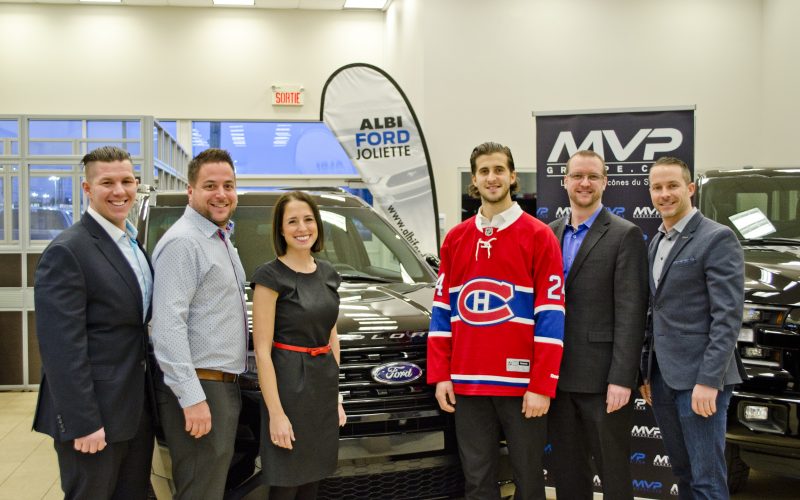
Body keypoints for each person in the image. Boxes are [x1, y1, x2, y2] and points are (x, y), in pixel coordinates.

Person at [427, 141, 565, 500]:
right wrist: (441, 374)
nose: (492, 178)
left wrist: (541, 384)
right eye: (484, 171)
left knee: (530, 482)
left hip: (522, 388)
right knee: (477, 483)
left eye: (499, 170)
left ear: (512, 176)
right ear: (474, 179)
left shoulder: (539, 235)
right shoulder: (456, 238)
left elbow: (551, 314)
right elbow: (442, 310)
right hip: (468, 384)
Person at [33, 146, 154, 499]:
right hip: (93, 416)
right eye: (107, 182)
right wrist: (83, 423)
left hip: (132, 409)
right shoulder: (68, 251)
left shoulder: (131, 243)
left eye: (127, 181)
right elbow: (61, 349)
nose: (120, 191)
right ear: (87, 189)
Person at [640, 156, 745, 499]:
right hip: (663, 378)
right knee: (683, 474)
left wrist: (708, 381)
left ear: (690, 189)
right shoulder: (656, 241)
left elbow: (727, 316)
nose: (664, 194)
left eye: (672, 186)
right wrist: (646, 372)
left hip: (701, 380)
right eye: (657, 187)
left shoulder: (717, 238)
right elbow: (656, 312)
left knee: (707, 480)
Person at [547, 150, 648, 499]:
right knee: (567, 473)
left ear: (605, 182)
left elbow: (632, 312)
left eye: (592, 176)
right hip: (556, 379)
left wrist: (622, 378)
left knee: (614, 474)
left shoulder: (625, 234)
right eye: (577, 176)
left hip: (604, 382)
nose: (584, 183)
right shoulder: (548, 234)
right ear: (565, 181)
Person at [151, 148, 248, 500]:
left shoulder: (219, 239)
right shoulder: (184, 243)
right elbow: (167, 325)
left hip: (221, 385)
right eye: (210, 185)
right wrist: (192, 398)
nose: (221, 194)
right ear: (190, 191)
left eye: (228, 185)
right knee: (199, 489)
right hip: (201, 386)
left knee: (209, 485)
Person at [250, 191, 346, 500]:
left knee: (313, 481)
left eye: (308, 219)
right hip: (289, 387)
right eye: (292, 221)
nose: (302, 227)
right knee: (287, 481)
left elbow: (332, 337)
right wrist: (276, 413)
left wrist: (337, 396)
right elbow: (262, 351)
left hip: (321, 388)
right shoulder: (269, 277)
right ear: (280, 229)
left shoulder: (329, 274)